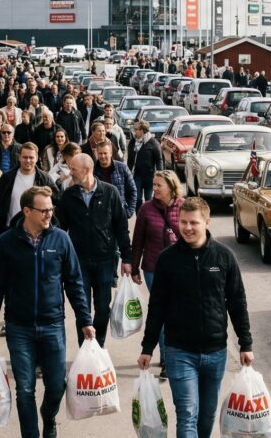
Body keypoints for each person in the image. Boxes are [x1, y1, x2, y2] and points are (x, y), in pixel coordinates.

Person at [0, 186, 93, 438]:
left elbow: (74, 282)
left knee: (57, 385)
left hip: (52, 324)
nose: (49, 215)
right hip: (19, 327)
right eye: (44, 210)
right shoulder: (8, 242)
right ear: (27, 211)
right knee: (25, 389)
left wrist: (85, 319)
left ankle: (49, 415)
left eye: (51, 210)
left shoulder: (61, 239)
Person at [138, 197, 254, 438]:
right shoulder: (168, 259)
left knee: (207, 415)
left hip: (215, 352)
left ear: (207, 222)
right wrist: (148, 347)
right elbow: (157, 305)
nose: (188, 228)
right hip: (179, 351)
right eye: (183, 222)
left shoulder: (224, 257)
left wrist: (246, 343)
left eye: (194, 222)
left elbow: (237, 302)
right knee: (187, 412)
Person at [56, 154, 131, 347]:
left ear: (87, 170)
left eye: (73, 168)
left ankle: (99, 345)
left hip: (105, 260)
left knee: (102, 309)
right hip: (78, 262)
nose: (69, 172)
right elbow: (59, 229)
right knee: (83, 310)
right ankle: (85, 349)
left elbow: (121, 227)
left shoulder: (110, 193)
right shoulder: (69, 196)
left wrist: (127, 258)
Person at [130, 170, 182, 378]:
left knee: (175, 312)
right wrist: (134, 268)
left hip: (179, 268)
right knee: (161, 311)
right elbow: (138, 241)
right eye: (154, 184)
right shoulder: (146, 209)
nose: (155, 188)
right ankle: (167, 360)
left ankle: (173, 354)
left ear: (171, 186)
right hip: (153, 268)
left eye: (159, 185)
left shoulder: (183, 206)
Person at [0, 143, 59, 245]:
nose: (28, 161)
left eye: (31, 158)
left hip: (36, 232)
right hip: (9, 228)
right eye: (25, 157)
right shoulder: (7, 178)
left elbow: (57, 201)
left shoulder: (44, 179)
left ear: (37, 158)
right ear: (19, 157)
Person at [93, 140, 137, 218]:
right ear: (96, 154)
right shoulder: (92, 170)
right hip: (99, 216)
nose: (103, 156)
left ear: (111, 153)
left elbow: (132, 190)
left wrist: (129, 212)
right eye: (100, 153)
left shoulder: (122, 168)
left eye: (105, 153)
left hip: (119, 214)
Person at [127, 121, 163, 209]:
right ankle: (139, 217)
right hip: (137, 175)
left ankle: (148, 218)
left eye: (136, 129)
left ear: (143, 131)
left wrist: (160, 175)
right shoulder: (133, 142)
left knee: (148, 199)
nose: (134, 131)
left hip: (149, 176)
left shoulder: (153, 143)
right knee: (137, 198)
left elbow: (159, 160)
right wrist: (127, 172)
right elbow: (130, 159)